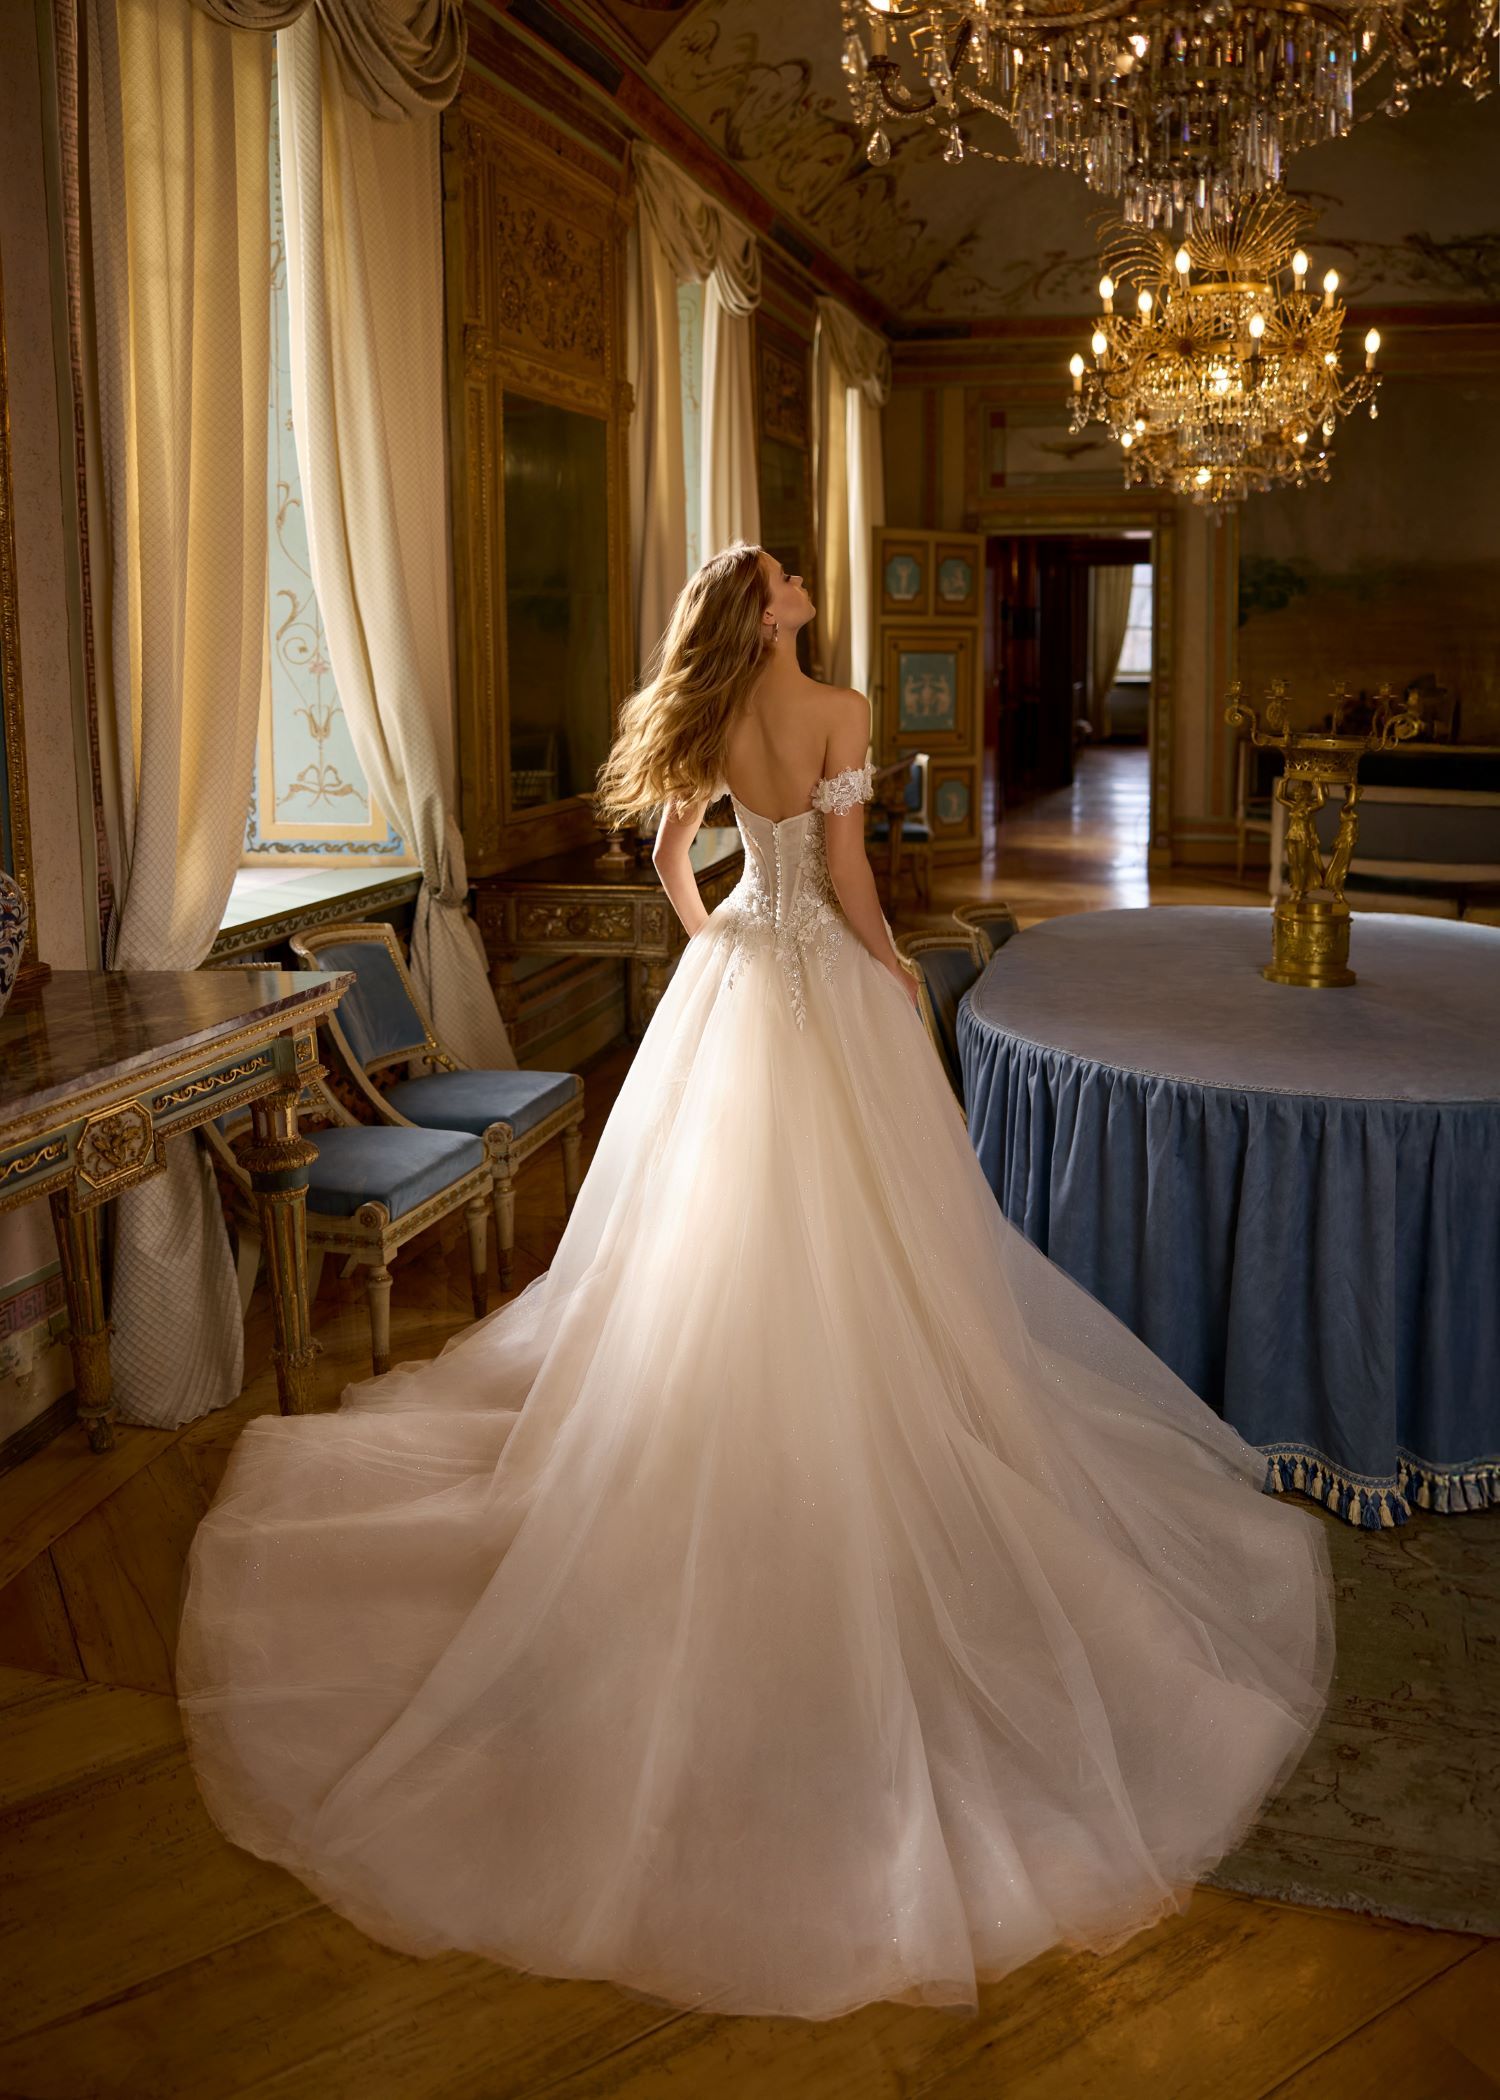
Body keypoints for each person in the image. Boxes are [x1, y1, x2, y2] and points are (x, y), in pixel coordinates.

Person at [176, 542, 1335, 2023]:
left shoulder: (711, 716)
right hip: (825, 993)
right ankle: (850, 1434)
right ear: (767, 609)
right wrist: (894, 975)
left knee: (711, 1244)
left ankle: (735, 1432)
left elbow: (676, 861)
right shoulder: (843, 710)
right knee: (879, 1244)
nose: (799, 584)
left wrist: (723, 945)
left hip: (733, 994)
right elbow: (852, 875)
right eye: (783, 576)